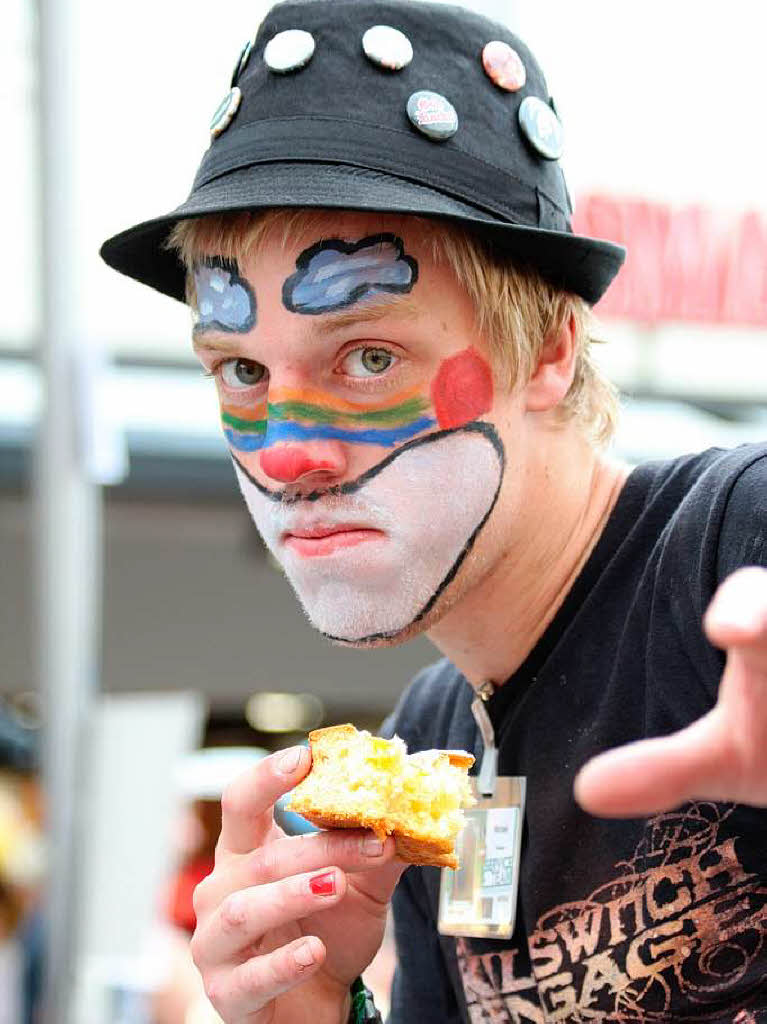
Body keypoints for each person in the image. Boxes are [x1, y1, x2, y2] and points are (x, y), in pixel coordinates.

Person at [100, 1, 767, 1020]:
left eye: (367, 357)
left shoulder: (730, 540)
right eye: (239, 368)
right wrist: (320, 1005)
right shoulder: (441, 737)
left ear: (545, 350)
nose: (286, 449)